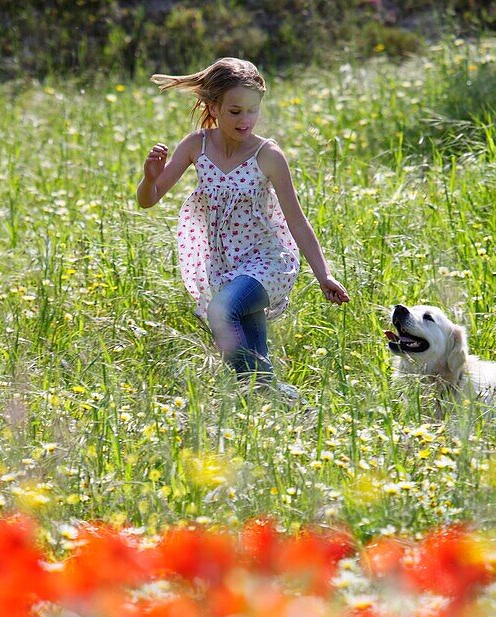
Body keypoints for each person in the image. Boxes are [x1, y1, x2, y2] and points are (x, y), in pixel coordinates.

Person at [137, 57, 350, 398]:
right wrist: (149, 178)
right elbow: (148, 199)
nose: (245, 120)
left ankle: (279, 399)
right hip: (224, 267)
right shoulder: (196, 146)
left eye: (252, 110)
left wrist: (323, 274)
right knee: (253, 368)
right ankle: (287, 408)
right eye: (235, 111)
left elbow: (296, 218)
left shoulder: (268, 155)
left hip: (268, 262)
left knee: (221, 312)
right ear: (214, 106)